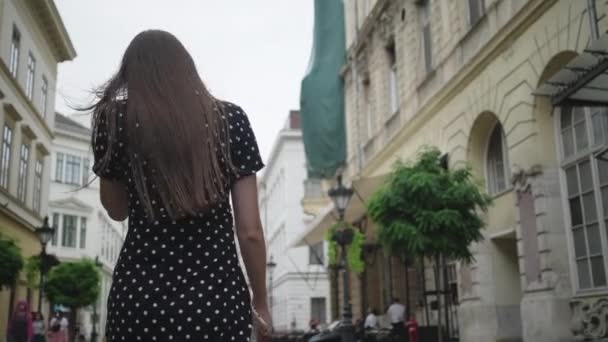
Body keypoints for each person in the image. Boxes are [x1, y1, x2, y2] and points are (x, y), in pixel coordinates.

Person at [88, 30, 270, 341]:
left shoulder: (114, 121)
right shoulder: (230, 120)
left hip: (139, 301)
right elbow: (250, 232)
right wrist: (261, 301)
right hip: (215, 301)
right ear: (187, 70)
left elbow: (116, 210)